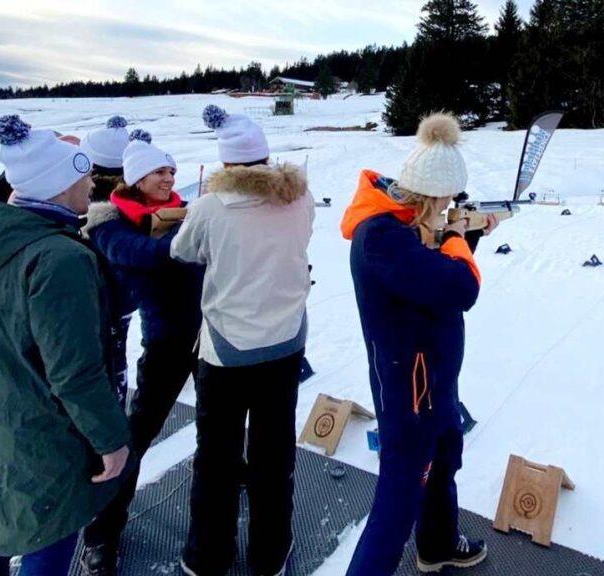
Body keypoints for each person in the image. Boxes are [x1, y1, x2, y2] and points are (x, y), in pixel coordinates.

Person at [0, 115, 132, 576]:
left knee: (1, 521)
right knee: (51, 530)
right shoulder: (61, 259)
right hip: (47, 424)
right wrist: (111, 440)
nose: (92, 181)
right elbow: (75, 370)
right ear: (58, 185)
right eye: (83, 174)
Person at [340, 113, 496, 575]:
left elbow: (435, 279)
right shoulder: (382, 237)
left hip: (436, 377)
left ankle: (438, 545)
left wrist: (462, 237)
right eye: (447, 199)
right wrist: (457, 239)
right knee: (397, 502)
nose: (451, 206)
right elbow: (459, 287)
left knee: (445, 459)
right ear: (430, 195)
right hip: (409, 391)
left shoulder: (410, 225)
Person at [172, 105, 314, 576]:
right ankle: (269, 554)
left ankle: (208, 556)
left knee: (217, 458)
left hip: (226, 352)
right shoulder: (300, 197)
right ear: (267, 158)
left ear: (226, 164)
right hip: (286, 344)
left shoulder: (210, 206)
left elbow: (182, 251)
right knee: (274, 457)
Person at [80, 130, 205, 576]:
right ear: (136, 178)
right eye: (159, 171)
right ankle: (102, 533)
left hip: (207, 335)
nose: (169, 178)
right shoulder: (108, 222)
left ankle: (239, 471)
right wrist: (193, 236)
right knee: (137, 438)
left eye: (172, 170)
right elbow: (142, 255)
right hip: (168, 341)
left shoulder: (173, 213)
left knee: (219, 423)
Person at [81, 115, 135, 405]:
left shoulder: (85, 199)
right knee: (117, 358)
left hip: (94, 298)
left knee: (97, 365)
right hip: (124, 297)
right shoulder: (133, 195)